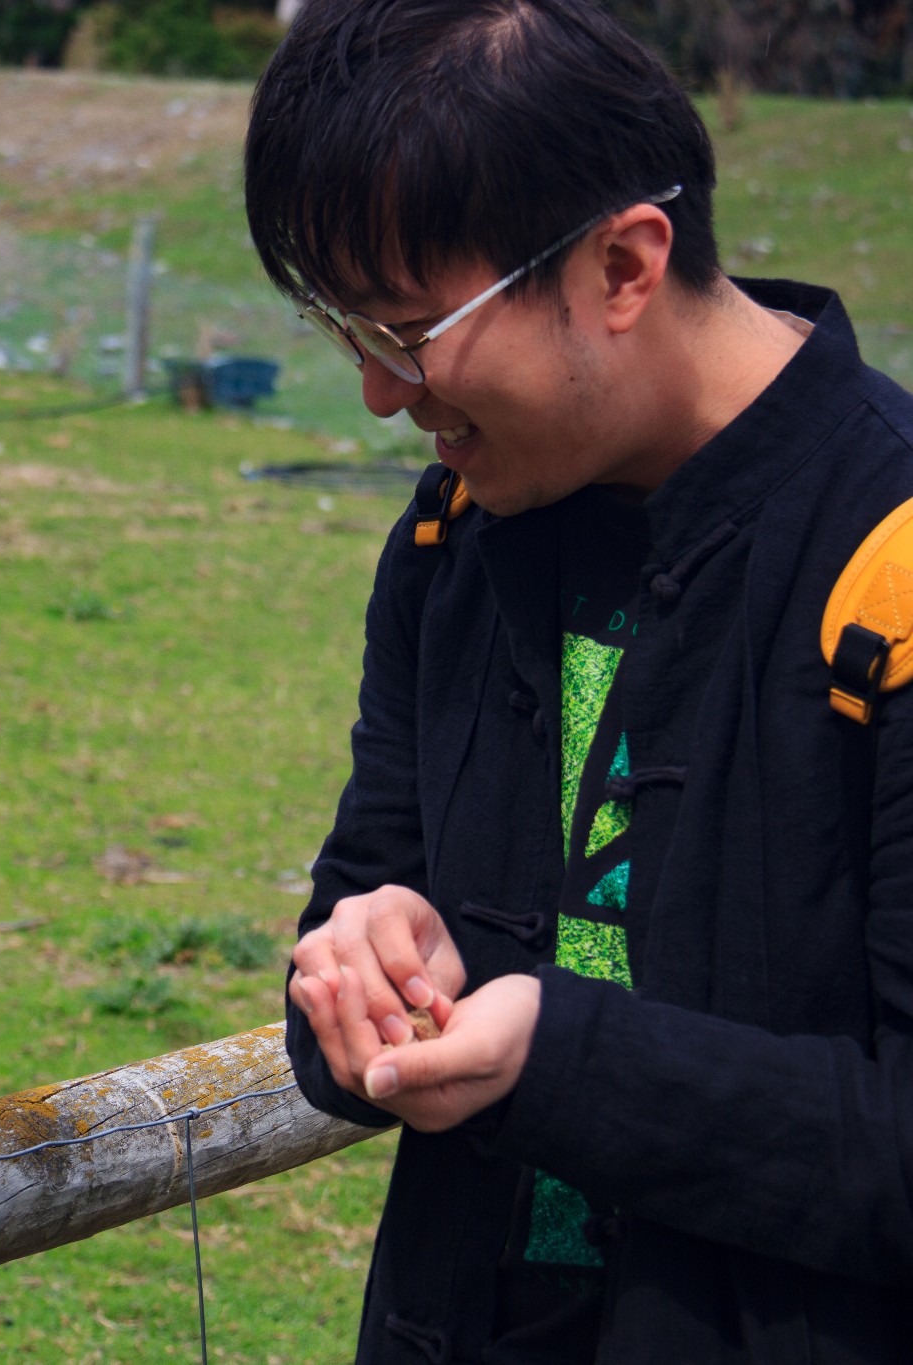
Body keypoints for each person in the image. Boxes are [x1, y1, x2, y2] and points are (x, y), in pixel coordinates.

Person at [242, 1, 913, 1361]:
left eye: (411, 329)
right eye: (349, 333)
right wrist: (358, 966)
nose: (382, 394)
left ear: (622, 264)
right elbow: (362, 906)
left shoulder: (887, 570)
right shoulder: (455, 539)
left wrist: (560, 1056)